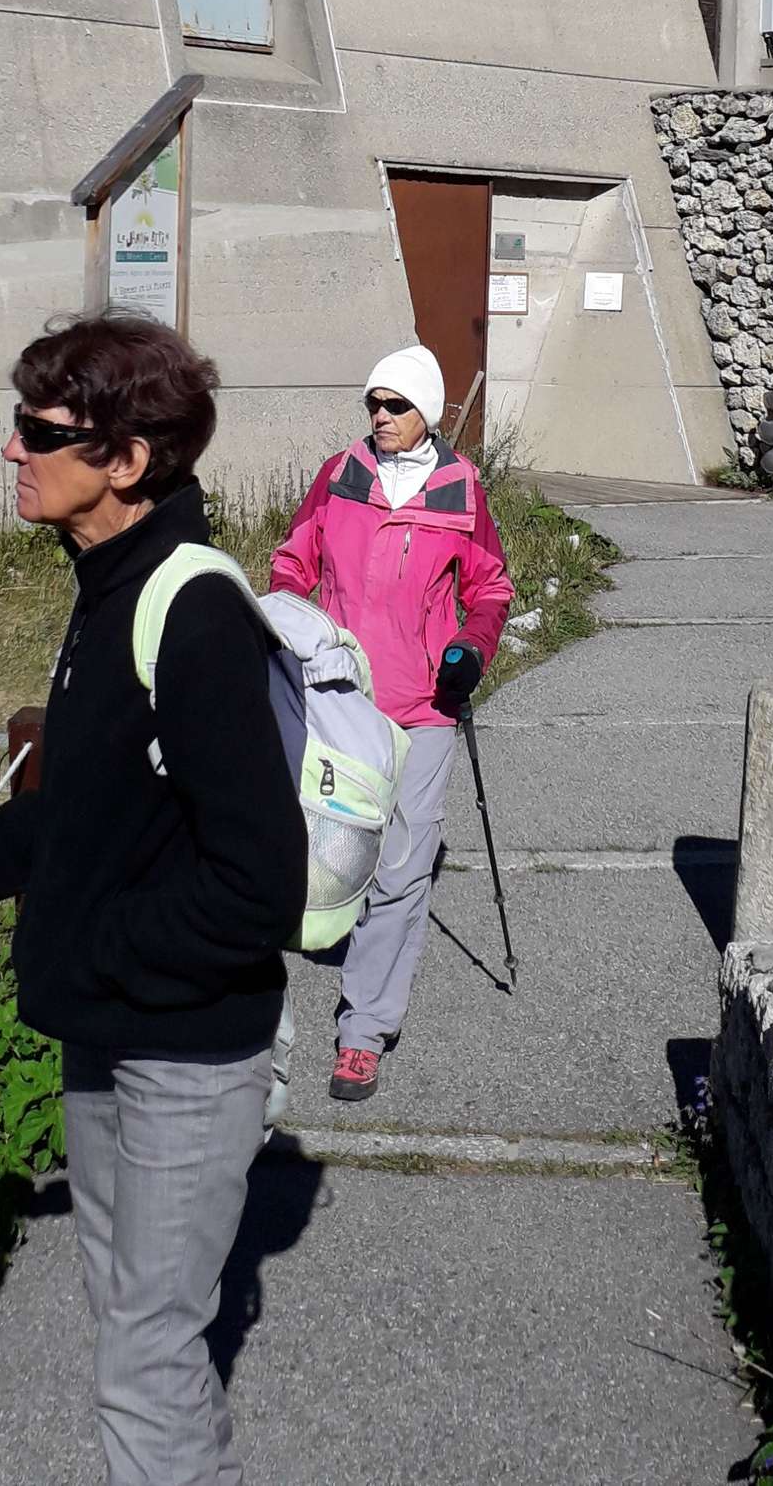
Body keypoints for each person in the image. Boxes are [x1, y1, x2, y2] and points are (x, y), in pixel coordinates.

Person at [0, 313, 304, 1486]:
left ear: (126, 459)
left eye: (38, 430)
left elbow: (259, 884)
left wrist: (91, 941)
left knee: (144, 1360)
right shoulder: (108, 585)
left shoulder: (191, 612)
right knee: (131, 1328)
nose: (12, 449)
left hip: (185, 1051)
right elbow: (87, 808)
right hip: (111, 1030)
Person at [270, 344, 511, 1102]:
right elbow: (292, 564)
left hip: (424, 705)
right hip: (340, 700)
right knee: (329, 847)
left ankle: (364, 1032)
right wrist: (292, 628)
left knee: (404, 867)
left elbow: (490, 589)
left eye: (395, 404)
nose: (380, 415)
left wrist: (472, 648)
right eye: (373, 402)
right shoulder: (340, 474)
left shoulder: (461, 488)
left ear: (426, 412)